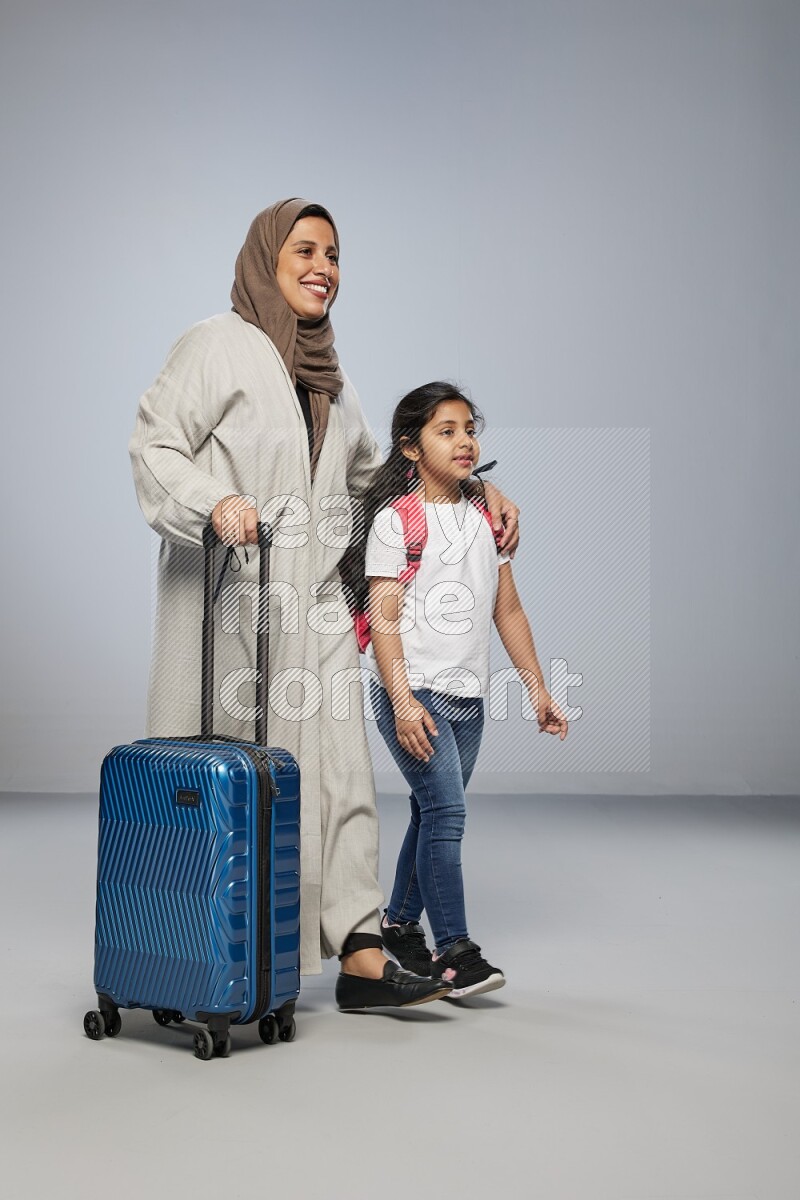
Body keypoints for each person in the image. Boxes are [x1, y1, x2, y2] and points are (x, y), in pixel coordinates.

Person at [129, 199, 520, 1010]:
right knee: (222, 771)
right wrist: (214, 501)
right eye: (305, 250)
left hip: (312, 610)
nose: (323, 267)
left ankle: (360, 951)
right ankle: (198, 948)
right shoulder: (215, 346)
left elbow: (375, 481)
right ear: (267, 259)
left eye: (335, 254)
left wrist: (474, 489)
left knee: (339, 775)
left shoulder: (329, 382)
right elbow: (154, 443)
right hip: (229, 600)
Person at [356, 381, 568, 998]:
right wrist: (401, 702)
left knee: (430, 812)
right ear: (411, 448)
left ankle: (398, 925)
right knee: (447, 813)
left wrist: (538, 689)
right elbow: (386, 618)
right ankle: (454, 950)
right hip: (413, 692)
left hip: (467, 698)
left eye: (469, 429)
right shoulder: (397, 520)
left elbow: (509, 611)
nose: (464, 442)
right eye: (445, 431)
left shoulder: (486, 517)